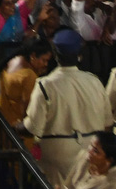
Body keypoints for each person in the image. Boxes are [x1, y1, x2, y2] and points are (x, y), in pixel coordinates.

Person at [24, 29, 114, 185]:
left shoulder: (45, 84)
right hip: (91, 151)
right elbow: (107, 125)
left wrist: (17, 125)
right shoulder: (95, 82)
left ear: (55, 55)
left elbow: (33, 128)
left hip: (57, 155)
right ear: (80, 55)